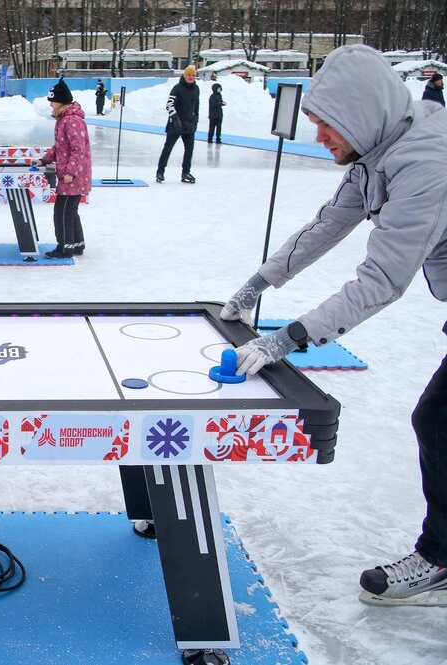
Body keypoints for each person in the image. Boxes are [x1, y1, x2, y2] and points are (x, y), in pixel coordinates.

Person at [218, 44, 447, 606]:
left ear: (361, 115)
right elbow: (329, 224)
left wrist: (286, 339)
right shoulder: (380, 147)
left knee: (438, 423)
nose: (318, 137)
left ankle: (441, 558)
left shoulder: (426, 164)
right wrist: (259, 283)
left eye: (326, 125)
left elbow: (381, 282)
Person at [33, 77, 91, 259]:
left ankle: (65, 248)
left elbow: (78, 149)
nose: (50, 105)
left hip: (73, 176)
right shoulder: (64, 119)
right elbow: (60, 147)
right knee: (70, 211)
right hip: (72, 175)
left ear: (61, 101)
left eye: (52, 101)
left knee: (62, 213)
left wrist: (70, 173)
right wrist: (45, 160)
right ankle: (77, 244)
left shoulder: (71, 121)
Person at [155, 65, 200, 184]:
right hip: (175, 125)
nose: (191, 77)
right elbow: (169, 104)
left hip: (189, 125)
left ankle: (186, 172)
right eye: (189, 75)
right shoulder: (177, 88)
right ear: (184, 75)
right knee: (168, 148)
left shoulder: (196, 89)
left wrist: (196, 120)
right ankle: (160, 172)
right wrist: (175, 118)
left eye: (193, 75)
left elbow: (196, 106)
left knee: (189, 150)